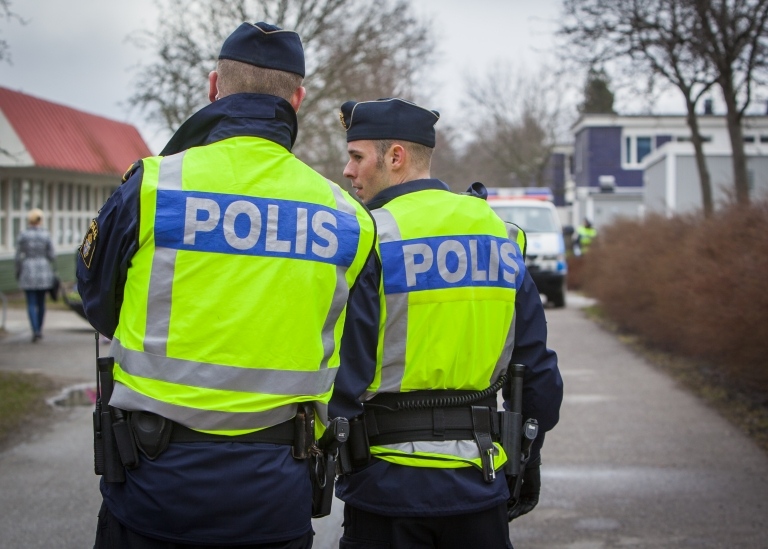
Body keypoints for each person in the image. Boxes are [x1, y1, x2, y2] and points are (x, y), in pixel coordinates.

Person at [76, 22, 376, 548]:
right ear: (298, 99)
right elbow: (354, 350)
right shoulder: (346, 217)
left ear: (214, 86)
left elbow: (99, 303)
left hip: (153, 482)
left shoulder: (153, 185)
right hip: (276, 490)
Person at [330, 98, 563, 548]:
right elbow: (537, 373)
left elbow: (345, 371)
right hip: (480, 482)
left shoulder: (371, 236)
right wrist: (526, 456)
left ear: (395, 157)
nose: (347, 170)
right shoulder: (500, 233)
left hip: (386, 490)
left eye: (357, 156)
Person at [15, 208, 55, 342]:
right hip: (43, 269)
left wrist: (18, 271)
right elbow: (52, 255)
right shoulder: (45, 235)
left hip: (28, 269)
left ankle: (35, 330)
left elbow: (18, 256)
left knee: (31, 302)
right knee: (41, 302)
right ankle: (40, 329)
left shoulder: (23, 235)